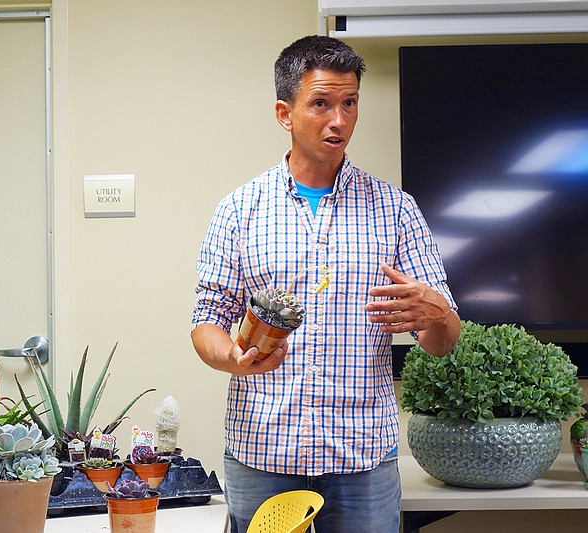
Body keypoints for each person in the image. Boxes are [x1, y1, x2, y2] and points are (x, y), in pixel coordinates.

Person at [190, 35, 461, 533]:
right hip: (262, 450)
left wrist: (442, 315)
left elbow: (440, 343)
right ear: (284, 112)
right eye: (320, 103)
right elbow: (206, 322)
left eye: (350, 103)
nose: (339, 120)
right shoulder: (238, 211)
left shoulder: (396, 210)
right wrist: (232, 358)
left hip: (363, 459)